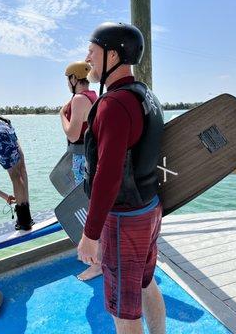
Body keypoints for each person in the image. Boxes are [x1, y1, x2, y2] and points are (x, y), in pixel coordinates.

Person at [78, 22, 166, 334]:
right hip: (149, 207)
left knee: (123, 311)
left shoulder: (113, 104)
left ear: (113, 55)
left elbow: (108, 174)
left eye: (93, 50)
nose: (87, 56)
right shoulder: (145, 95)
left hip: (124, 219)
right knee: (145, 283)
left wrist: (91, 234)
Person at [59, 61, 101, 281]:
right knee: (92, 205)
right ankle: (96, 255)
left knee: (85, 207)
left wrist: (61, 118)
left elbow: (73, 134)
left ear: (73, 79)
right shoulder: (93, 96)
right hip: (92, 157)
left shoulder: (78, 99)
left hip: (81, 159)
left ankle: (97, 263)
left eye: (68, 80)